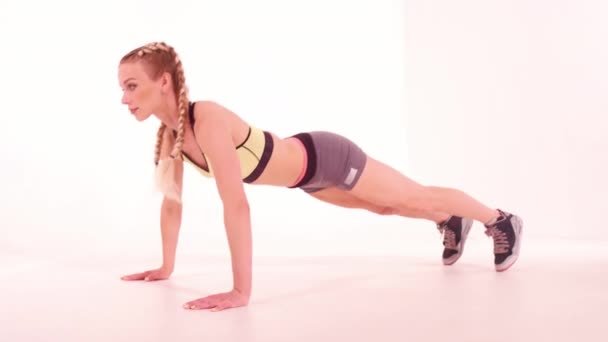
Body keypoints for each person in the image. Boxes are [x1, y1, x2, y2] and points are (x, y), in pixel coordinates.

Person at [117, 41, 523, 312]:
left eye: (132, 86)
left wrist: (241, 291)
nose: (125, 98)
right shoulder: (169, 136)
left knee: (415, 196)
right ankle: (448, 219)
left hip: (325, 156)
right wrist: (166, 266)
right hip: (306, 180)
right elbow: (172, 203)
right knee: (386, 207)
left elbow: (236, 205)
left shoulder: (206, 119)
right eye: (123, 88)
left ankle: (499, 219)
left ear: (164, 81)